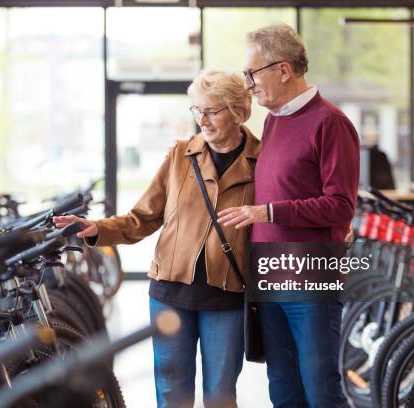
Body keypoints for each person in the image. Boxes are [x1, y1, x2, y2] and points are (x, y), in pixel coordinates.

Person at [53, 70, 261, 408]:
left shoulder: (262, 161)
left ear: (237, 111)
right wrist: (96, 229)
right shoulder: (180, 155)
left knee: (221, 394)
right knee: (170, 391)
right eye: (197, 110)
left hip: (228, 295)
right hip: (170, 292)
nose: (202, 120)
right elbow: (143, 218)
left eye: (212, 111)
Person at [217, 24, 359, 408]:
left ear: (283, 70)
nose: (248, 84)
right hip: (270, 276)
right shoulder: (273, 120)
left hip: (310, 279)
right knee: (282, 389)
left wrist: (267, 212)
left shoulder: (331, 123)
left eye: (253, 73)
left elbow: (341, 206)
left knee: (321, 390)